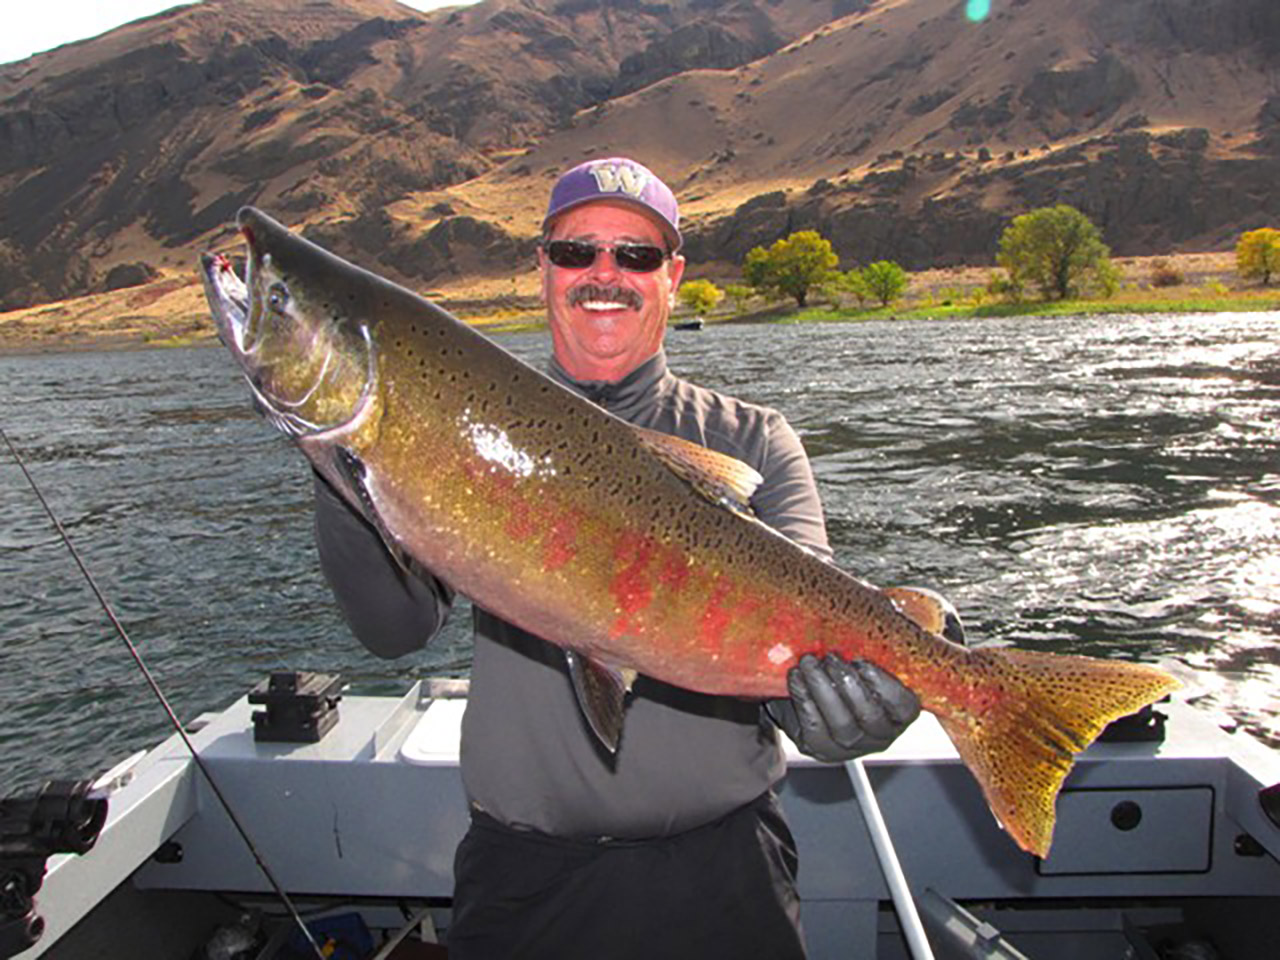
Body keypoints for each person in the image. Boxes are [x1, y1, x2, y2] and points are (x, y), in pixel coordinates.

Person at [313, 157, 923, 959]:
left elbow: (790, 672)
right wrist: (344, 456)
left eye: (636, 256)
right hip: (522, 879)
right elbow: (393, 630)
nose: (606, 274)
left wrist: (838, 714)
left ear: (672, 277)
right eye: (578, 252)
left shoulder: (755, 440)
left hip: (729, 872)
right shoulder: (461, 430)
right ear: (543, 269)